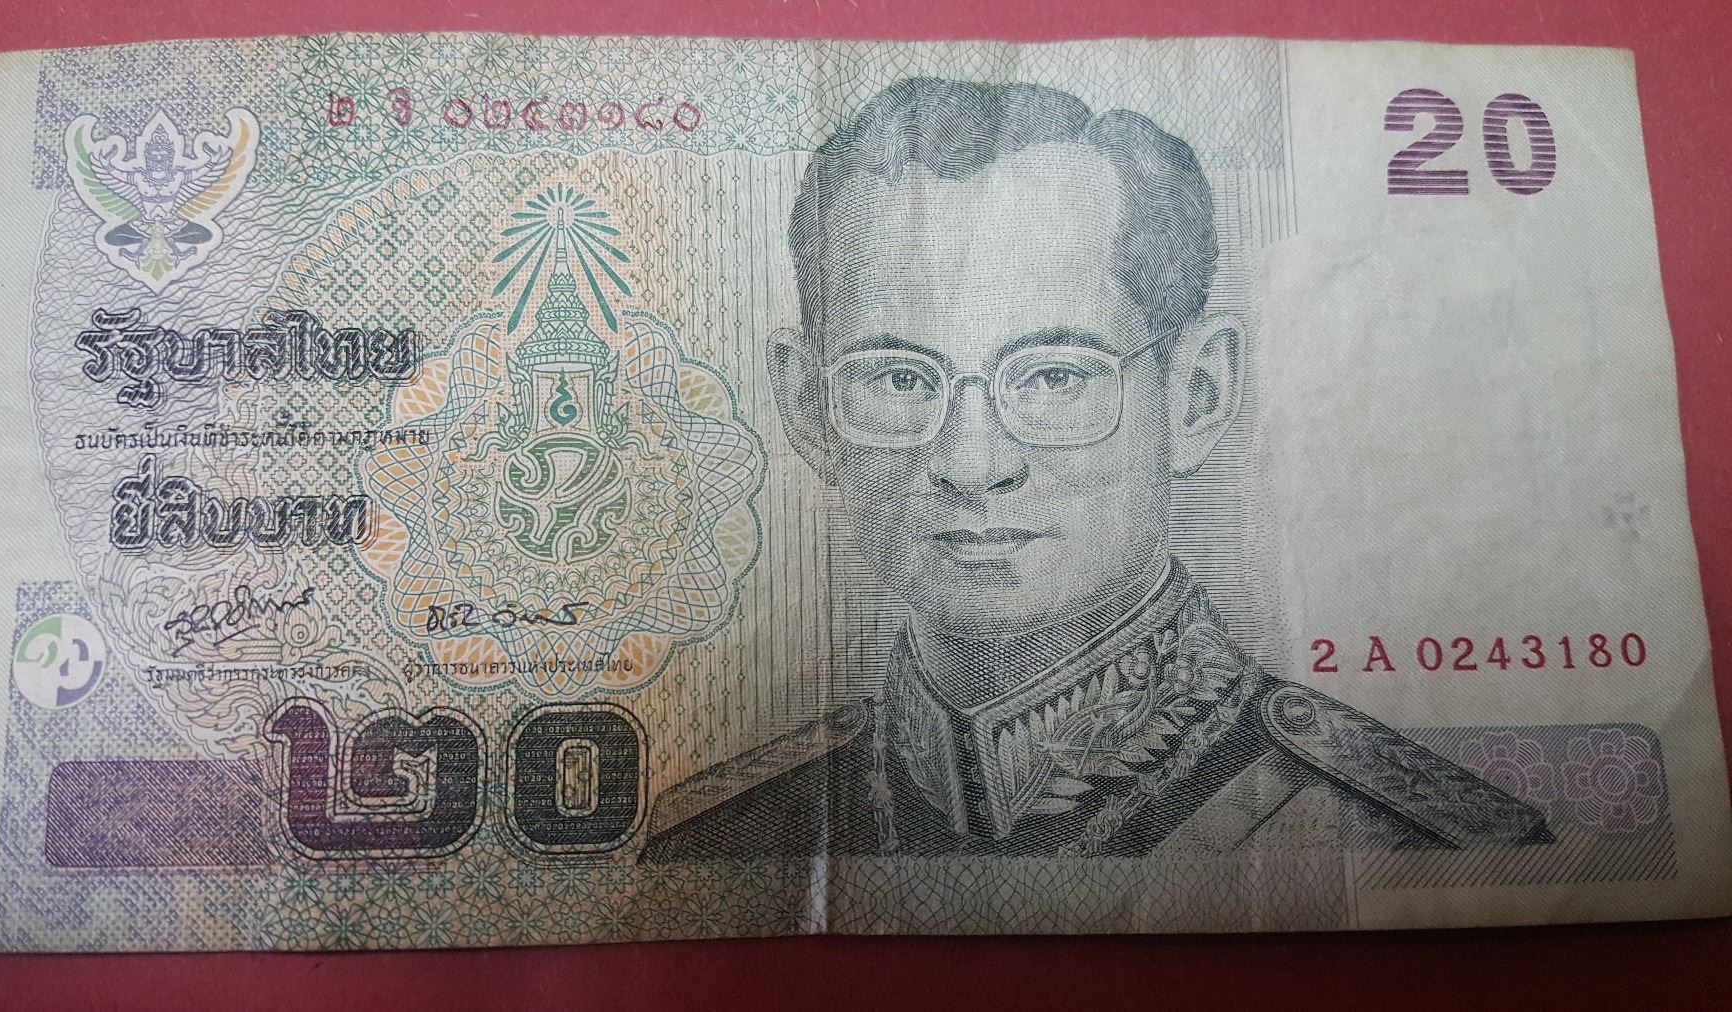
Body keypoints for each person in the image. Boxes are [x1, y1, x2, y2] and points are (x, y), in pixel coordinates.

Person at [640, 77, 1551, 861]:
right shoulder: (716, 843)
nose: (971, 463)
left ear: (1195, 396)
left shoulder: (1416, 843)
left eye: (1054, 376)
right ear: (808, 408)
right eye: (899, 378)